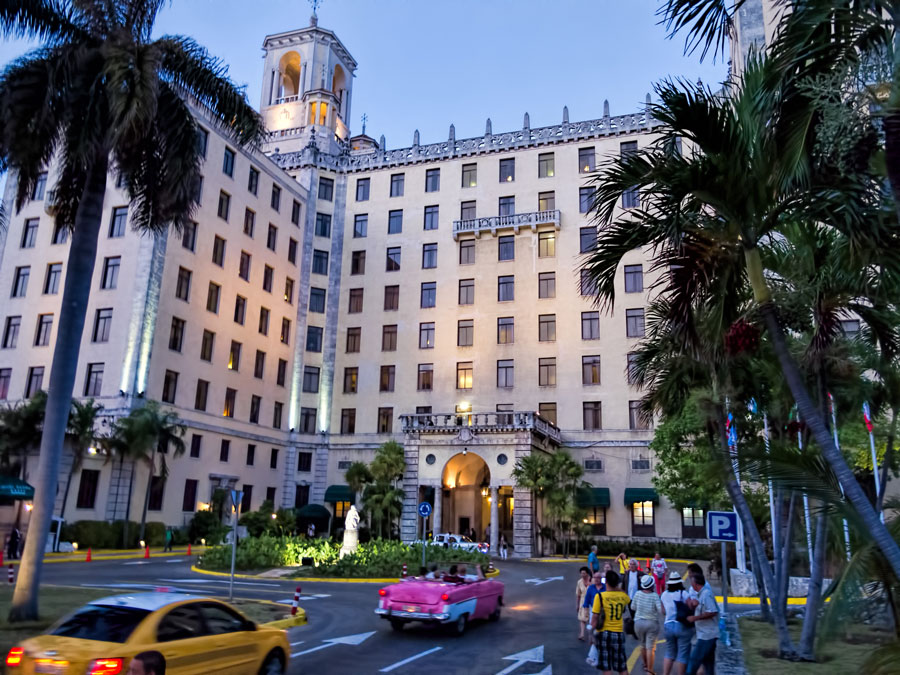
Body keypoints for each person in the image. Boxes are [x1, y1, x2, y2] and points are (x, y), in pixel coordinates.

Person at [591, 570, 630, 675]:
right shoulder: (623, 597)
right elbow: (626, 596)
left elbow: (594, 617)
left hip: (604, 633)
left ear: (606, 582)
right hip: (618, 633)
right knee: (622, 667)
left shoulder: (599, 597)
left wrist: (591, 634)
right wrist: (617, 588)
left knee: (606, 666)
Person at [661, 571, 694, 675]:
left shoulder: (664, 595)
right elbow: (690, 607)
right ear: (680, 583)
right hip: (681, 625)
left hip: (668, 625)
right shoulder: (683, 593)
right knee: (682, 654)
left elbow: (663, 612)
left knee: (669, 653)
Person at [686, 572, 719, 675]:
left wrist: (695, 618)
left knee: (693, 661)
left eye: (692, 583)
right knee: (708, 663)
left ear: (696, 584)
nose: (691, 585)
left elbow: (712, 611)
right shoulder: (702, 595)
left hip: (707, 635)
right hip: (705, 634)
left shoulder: (706, 594)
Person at [632, 574, 663, 675]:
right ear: (652, 585)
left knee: (642, 645)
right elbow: (660, 610)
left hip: (638, 623)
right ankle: (650, 671)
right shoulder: (655, 596)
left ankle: (645, 665)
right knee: (650, 647)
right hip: (652, 623)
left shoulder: (637, 594)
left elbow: (632, 607)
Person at [576, 566, 591, 641]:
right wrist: (577, 605)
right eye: (581, 573)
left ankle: (590, 634)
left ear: (587, 573)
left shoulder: (592, 580)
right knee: (582, 619)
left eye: (584, 573)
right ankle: (582, 634)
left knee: (590, 619)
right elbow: (578, 595)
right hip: (583, 602)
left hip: (591, 602)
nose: (582, 574)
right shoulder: (579, 582)